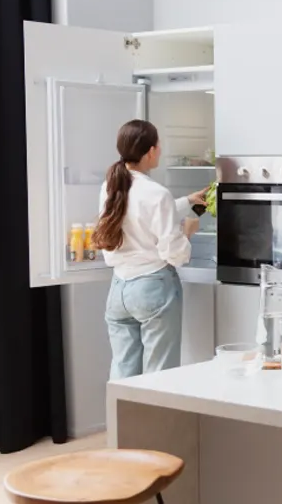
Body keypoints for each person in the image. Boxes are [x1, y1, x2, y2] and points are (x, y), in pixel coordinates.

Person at [93, 119, 206, 380]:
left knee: (123, 372)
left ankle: (121, 422)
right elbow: (176, 254)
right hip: (154, 288)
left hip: (119, 290)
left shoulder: (111, 187)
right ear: (151, 151)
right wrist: (188, 230)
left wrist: (187, 201)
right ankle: (158, 423)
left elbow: (136, 214)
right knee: (159, 376)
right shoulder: (157, 193)